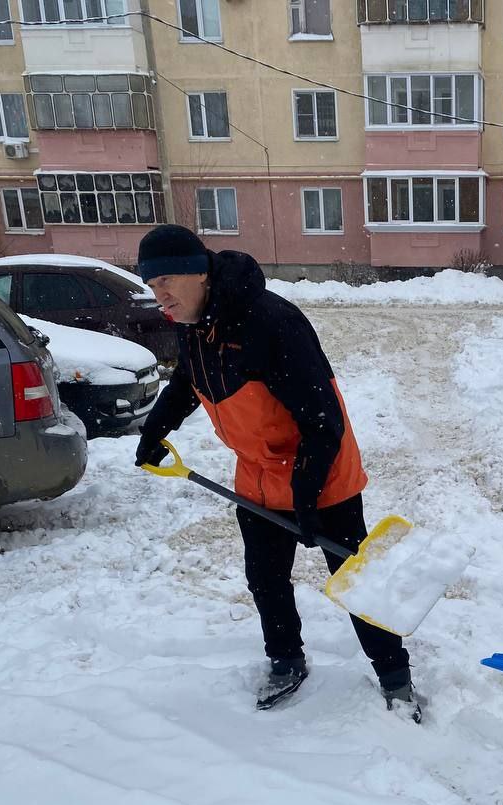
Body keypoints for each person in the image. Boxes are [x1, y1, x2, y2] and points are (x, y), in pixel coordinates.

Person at [133, 225, 419, 716]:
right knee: (265, 578)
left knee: (355, 579)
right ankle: (285, 659)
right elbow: (187, 379)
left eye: (167, 282)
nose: (160, 296)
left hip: (322, 472)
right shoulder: (192, 324)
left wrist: (306, 497)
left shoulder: (269, 322)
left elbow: (323, 420)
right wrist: (154, 429)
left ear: (199, 273)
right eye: (152, 286)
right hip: (259, 474)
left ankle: (395, 678)